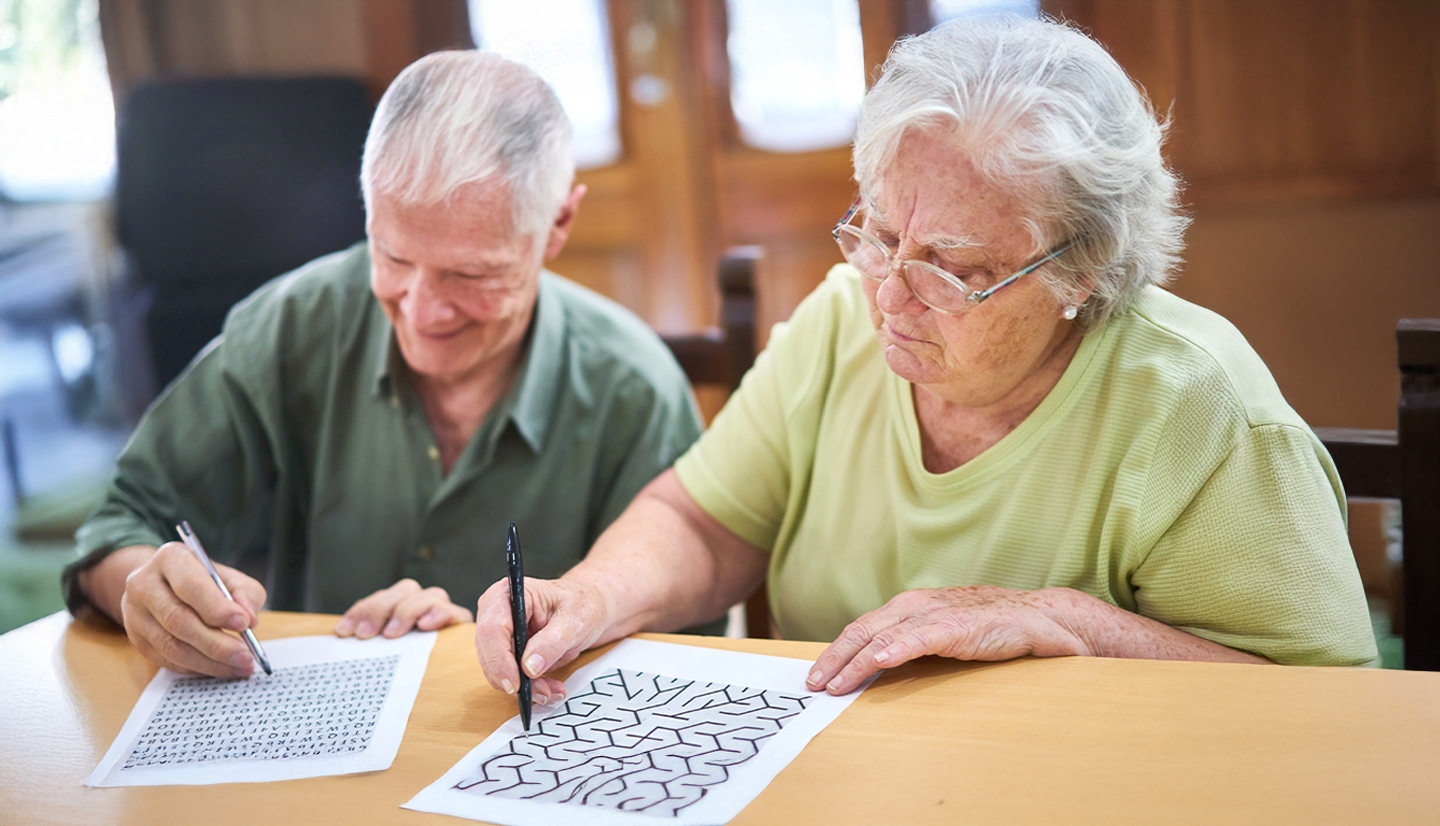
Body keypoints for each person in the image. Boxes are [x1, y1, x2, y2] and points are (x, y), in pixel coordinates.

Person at [474, 16, 1378, 706]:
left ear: (1082, 267)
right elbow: (707, 524)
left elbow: (1332, 710)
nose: (890, 295)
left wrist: (1071, 623)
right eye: (878, 234)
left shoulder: (1193, 406)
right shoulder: (841, 320)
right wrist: (592, 596)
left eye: (953, 266)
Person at [63, 51, 704, 678]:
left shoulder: (636, 391)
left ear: (558, 223)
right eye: (393, 258)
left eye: (469, 273)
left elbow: (680, 645)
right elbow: (121, 523)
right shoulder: (290, 327)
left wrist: (487, 651)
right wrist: (150, 588)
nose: (422, 312)